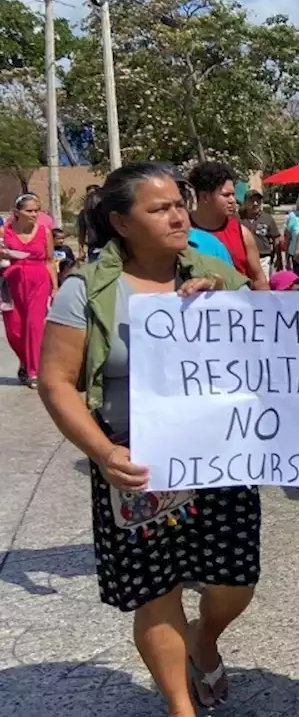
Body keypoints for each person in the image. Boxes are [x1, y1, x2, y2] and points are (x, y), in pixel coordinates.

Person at [38, 162, 256, 716]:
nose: (178, 214)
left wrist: (227, 305)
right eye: (159, 208)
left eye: (179, 203)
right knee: (156, 589)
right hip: (134, 461)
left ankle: (203, 637)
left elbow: (268, 351)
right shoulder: (86, 288)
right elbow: (56, 382)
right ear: (121, 222)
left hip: (219, 453)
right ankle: (180, 706)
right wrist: (104, 452)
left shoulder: (216, 270)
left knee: (235, 581)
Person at [188, 161, 269, 289]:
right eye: (226, 195)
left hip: (237, 307)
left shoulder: (242, 233)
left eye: (233, 194)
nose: (232, 200)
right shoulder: (181, 232)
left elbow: (259, 280)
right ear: (204, 197)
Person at [2, 194, 55, 388]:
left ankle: (34, 372)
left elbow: (49, 261)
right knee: (14, 330)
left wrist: (55, 287)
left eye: (36, 210)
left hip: (38, 280)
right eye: (29, 210)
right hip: (11, 282)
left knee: (34, 326)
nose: (34, 214)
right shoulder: (4, 231)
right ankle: (25, 361)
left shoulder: (44, 231)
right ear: (17, 212)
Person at [241, 190, 281, 276]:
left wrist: (279, 258)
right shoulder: (238, 218)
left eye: (258, 201)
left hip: (263, 258)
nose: (255, 203)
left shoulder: (267, 218)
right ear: (245, 202)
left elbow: (276, 239)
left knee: (263, 286)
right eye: (252, 201)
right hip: (243, 258)